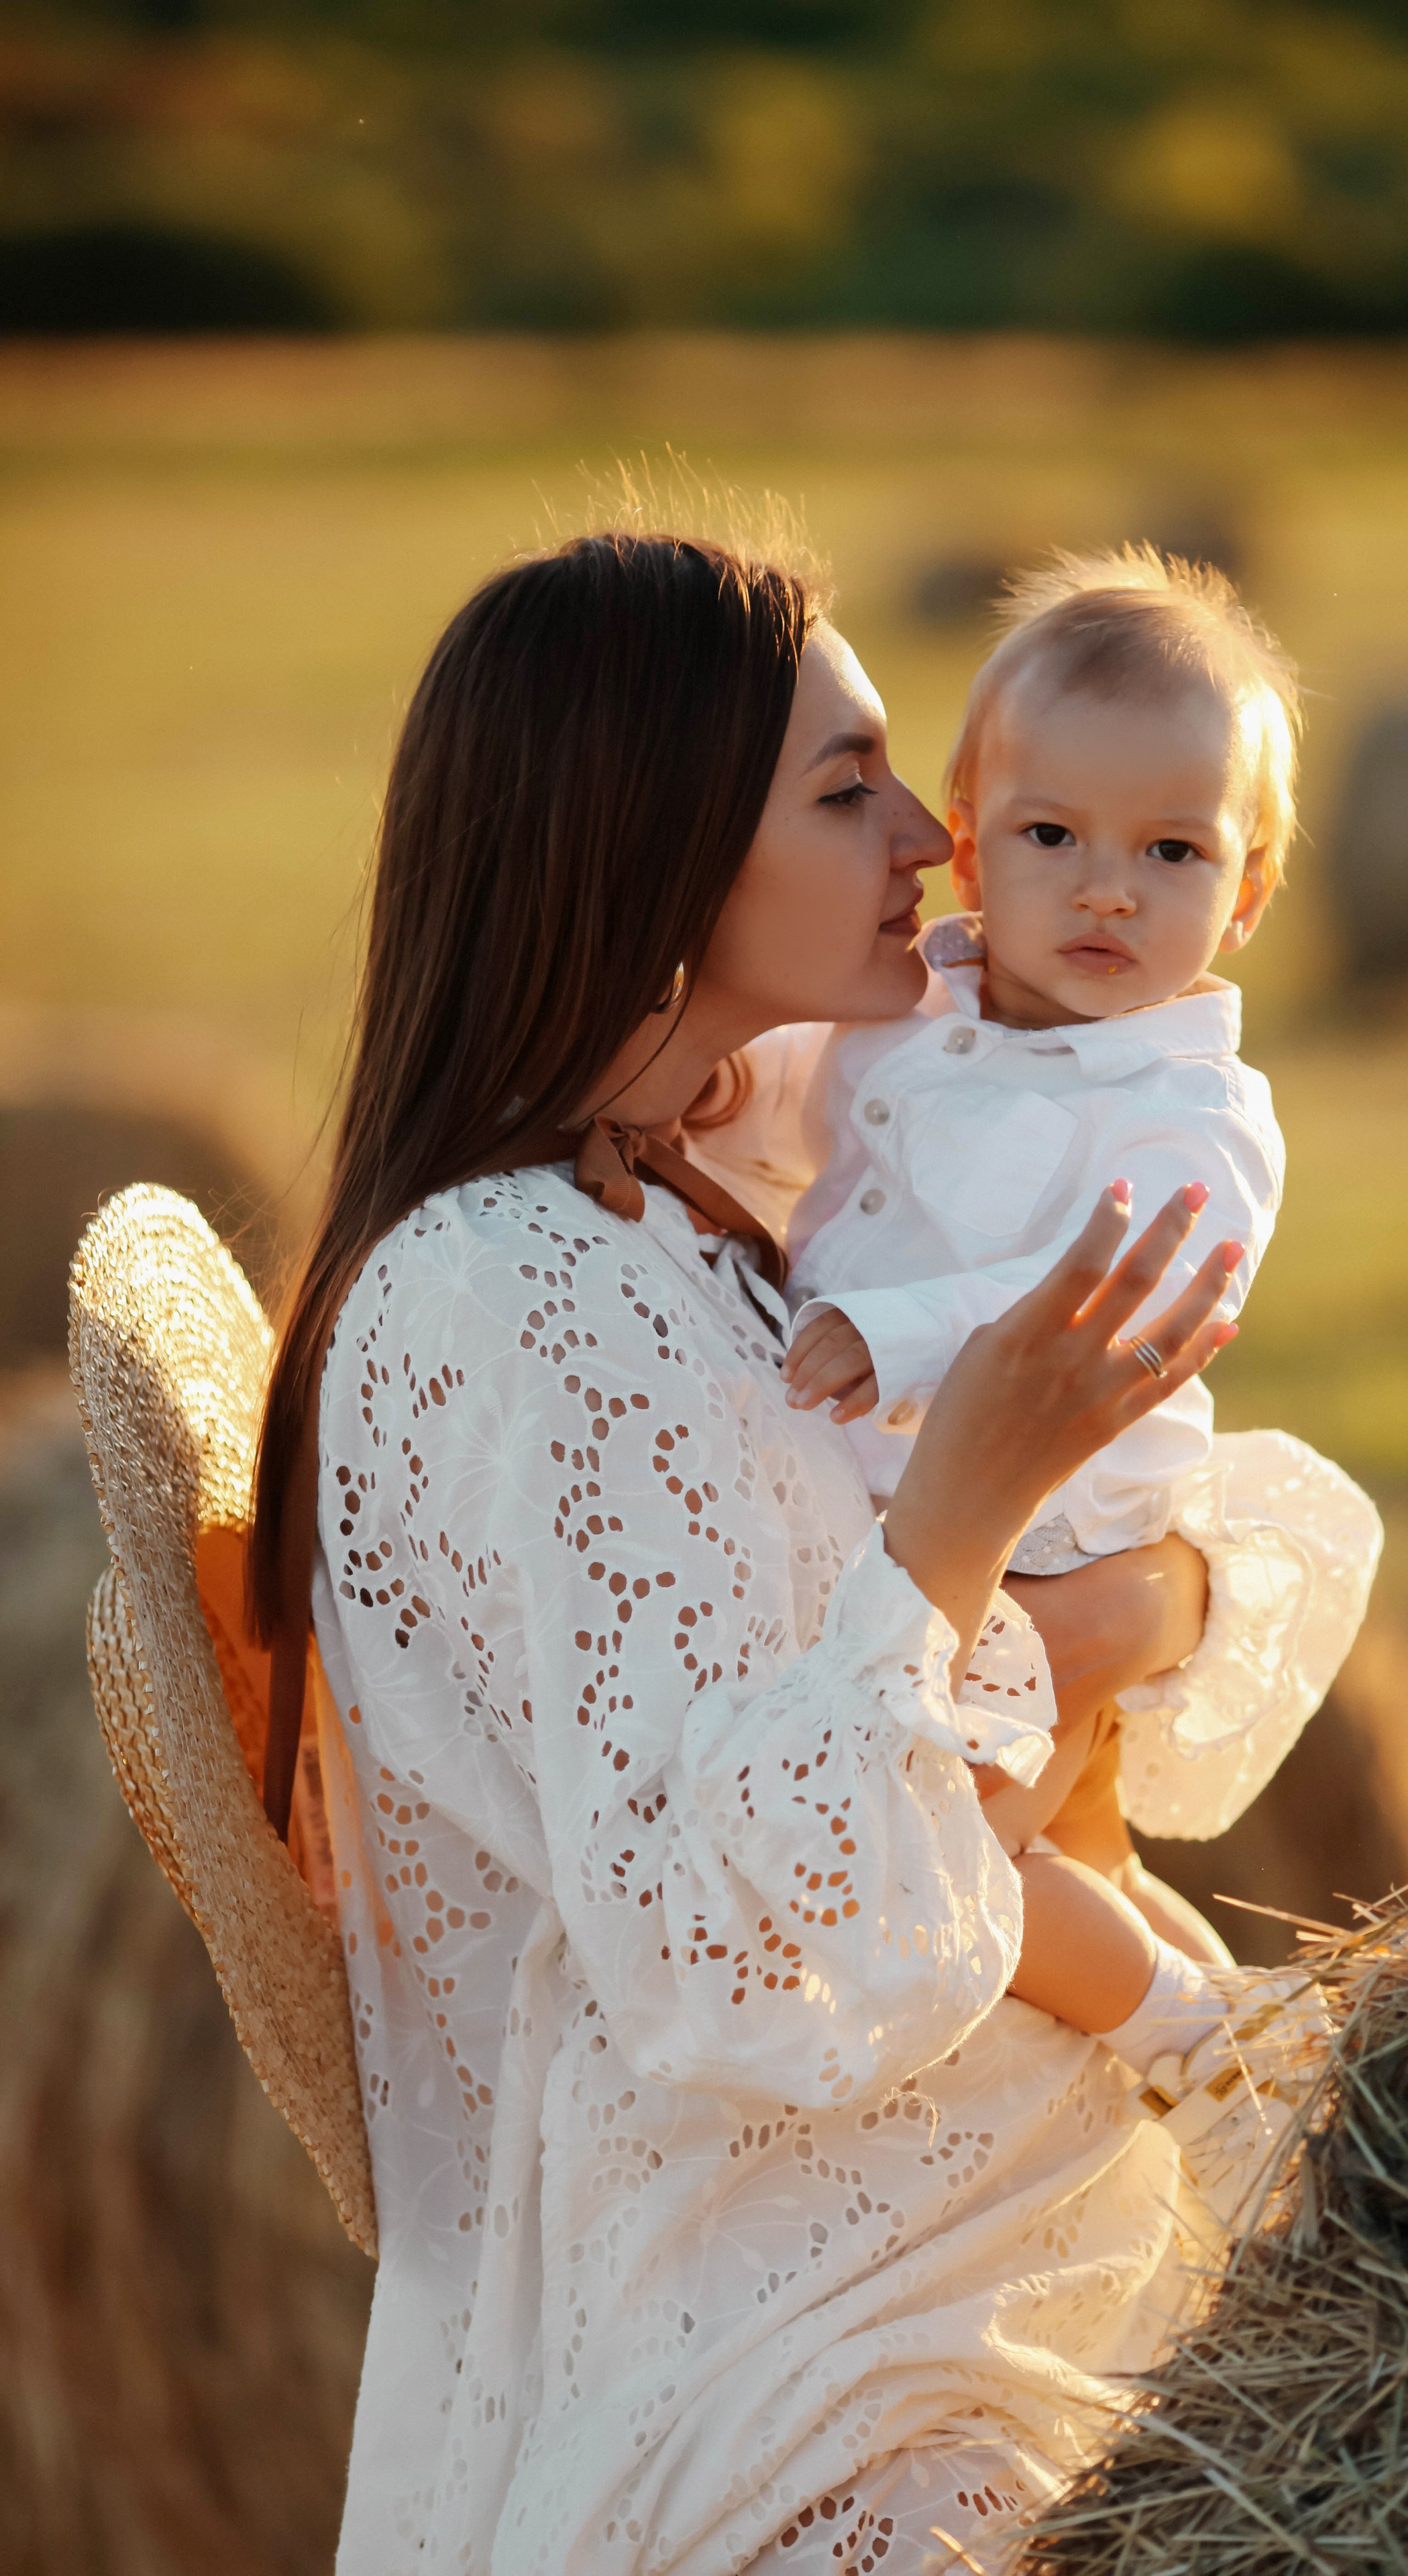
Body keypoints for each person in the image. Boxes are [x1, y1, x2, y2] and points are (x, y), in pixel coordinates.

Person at [250, 529, 1344, 2576]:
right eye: (851, 792)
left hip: (936, 2235)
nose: (939, 832)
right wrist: (976, 1540)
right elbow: (742, 1951)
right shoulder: (502, 1301)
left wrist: (1142, 1596)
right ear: (653, 853)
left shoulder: (685, 1187)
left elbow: (1054, 1636)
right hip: (778, 2342)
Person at [767, 547, 1379, 2090]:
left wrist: (897, 1335)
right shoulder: (920, 1007)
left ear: (1244, 895)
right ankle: (1185, 2010)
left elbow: (1120, 1291)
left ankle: (1198, 2038)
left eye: (1172, 853)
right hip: (893, 1514)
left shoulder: (1186, 1111)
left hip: (1050, 1527)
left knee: (944, 1827)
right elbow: (801, 1094)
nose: (1108, 887)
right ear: (969, 852)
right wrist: (723, 1084)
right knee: (998, 1830)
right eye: (1054, 835)